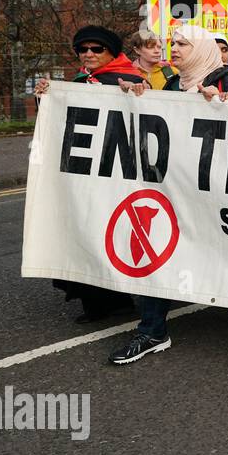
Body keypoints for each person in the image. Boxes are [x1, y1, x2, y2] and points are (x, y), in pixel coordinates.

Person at [105, 24, 228, 365]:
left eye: (183, 43)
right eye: (174, 42)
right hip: (173, 187)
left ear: (199, 48)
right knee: (162, 249)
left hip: (217, 191)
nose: (176, 48)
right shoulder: (171, 84)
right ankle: (152, 330)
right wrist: (138, 96)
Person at [34, 26, 142, 323]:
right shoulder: (81, 81)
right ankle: (97, 302)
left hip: (115, 174)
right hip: (83, 174)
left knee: (110, 235)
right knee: (83, 233)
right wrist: (46, 98)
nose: (89, 54)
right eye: (83, 49)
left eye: (97, 49)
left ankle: (119, 299)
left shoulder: (130, 79)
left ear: (112, 52)